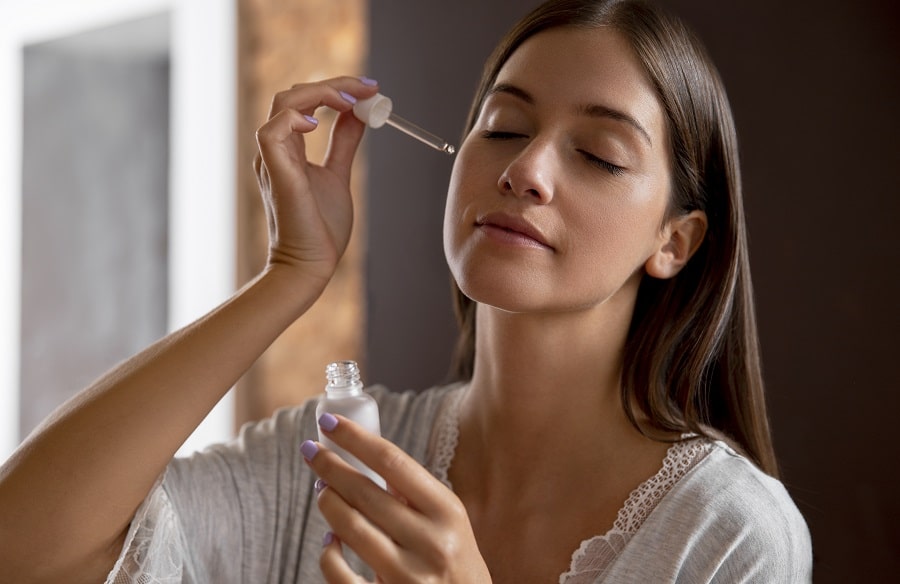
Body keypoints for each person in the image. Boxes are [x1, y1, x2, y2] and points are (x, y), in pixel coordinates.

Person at [0, 0, 813, 582]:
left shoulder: (729, 537)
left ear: (675, 241)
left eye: (597, 154)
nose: (524, 169)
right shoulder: (329, 464)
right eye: (503, 125)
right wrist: (290, 276)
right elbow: (23, 547)